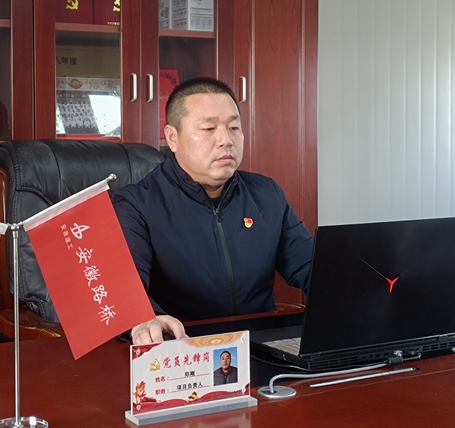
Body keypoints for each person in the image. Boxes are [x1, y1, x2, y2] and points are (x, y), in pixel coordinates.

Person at [112, 77, 314, 345]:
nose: (226, 140)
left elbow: (309, 266)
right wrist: (147, 320)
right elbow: (126, 291)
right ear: (172, 137)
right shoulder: (136, 205)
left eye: (234, 127)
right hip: (183, 349)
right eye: (209, 128)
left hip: (261, 347)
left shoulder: (265, 194)